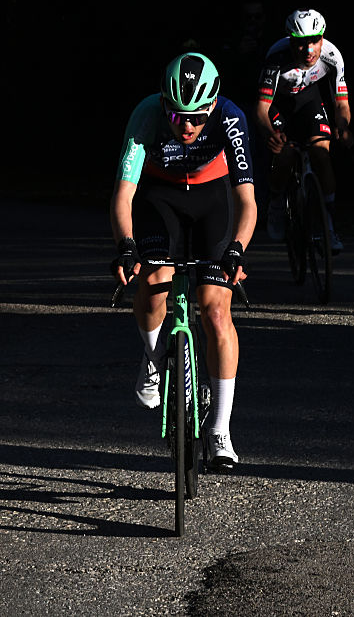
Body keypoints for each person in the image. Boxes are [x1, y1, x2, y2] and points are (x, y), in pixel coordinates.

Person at [109, 52, 256, 470]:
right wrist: (125, 245)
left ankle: (220, 430)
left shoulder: (230, 117)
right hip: (162, 197)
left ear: (211, 106)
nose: (185, 126)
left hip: (214, 200)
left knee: (214, 309)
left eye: (194, 118)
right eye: (175, 116)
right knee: (153, 280)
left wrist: (237, 249)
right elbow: (123, 195)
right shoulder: (146, 116)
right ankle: (153, 359)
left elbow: (247, 201)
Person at [256, 8, 353, 253]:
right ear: (290, 41)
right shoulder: (276, 57)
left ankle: (329, 226)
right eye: (300, 44)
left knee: (321, 153)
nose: (308, 51)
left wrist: (342, 127)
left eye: (314, 41)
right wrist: (271, 135)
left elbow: (342, 103)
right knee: (286, 154)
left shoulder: (333, 55)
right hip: (279, 105)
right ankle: (277, 201)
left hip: (309, 102)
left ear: (322, 38)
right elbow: (261, 108)